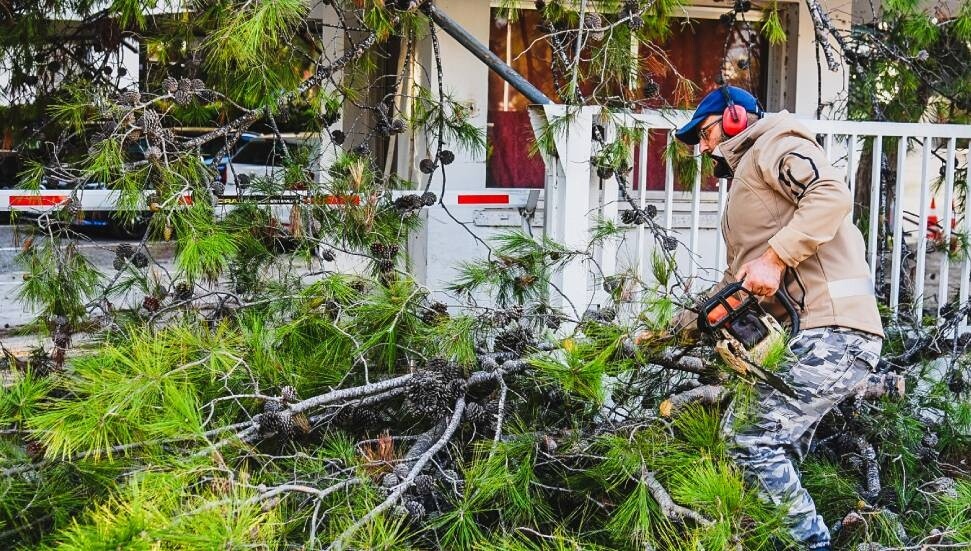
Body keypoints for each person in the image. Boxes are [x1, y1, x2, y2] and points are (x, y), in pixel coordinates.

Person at [672, 86, 885, 550]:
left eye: (705, 134)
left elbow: (829, 194)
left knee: (750, 440)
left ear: (732, 120)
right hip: (810, 332)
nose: (704, 148)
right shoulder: (748, 180)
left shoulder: (777, 144)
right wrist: (670, 333)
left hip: (835, 329)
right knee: (774, 449)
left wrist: (775, 258)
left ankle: (813, 546)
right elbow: (737, 282)